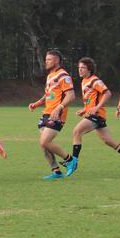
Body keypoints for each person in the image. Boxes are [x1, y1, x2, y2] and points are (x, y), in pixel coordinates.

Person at [65, 57, 120, 176]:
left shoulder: (94, 80)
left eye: (82, 68)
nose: (80, 70)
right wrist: (84, 110)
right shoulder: (84, 81)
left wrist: (97, 108)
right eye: (79, 68)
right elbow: (92, 100)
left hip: (97, 115)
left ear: (89, 69)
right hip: (94, 114)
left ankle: (74, 161)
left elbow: (107, 93)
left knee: (76, 132)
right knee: (108, 141)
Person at [28, 50, 75, 179]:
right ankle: (56, 171)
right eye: (46, 59)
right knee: (43, 144)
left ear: (56, 60)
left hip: (57, 114)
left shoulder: (63, 75)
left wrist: (59, 108)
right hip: (47, 113)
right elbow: (48, 93)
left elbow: (71, 96)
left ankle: (70, 160)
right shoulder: (50, 75)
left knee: (45, 141)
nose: (46, 62)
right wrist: (38, 103)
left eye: (49, 59)